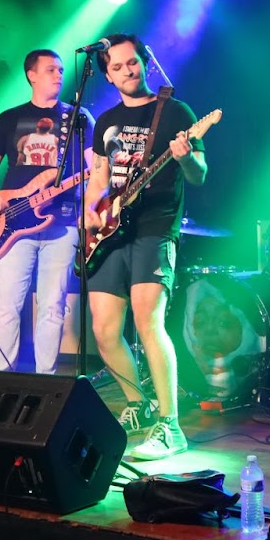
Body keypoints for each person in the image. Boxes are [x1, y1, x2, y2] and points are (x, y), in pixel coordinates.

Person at [83, 35, 208, 460]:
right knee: (104, 330)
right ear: (107, 74)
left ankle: (170, 426)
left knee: (147, 321)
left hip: (156, 226)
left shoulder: (176, 112)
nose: (128, 71)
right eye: (118, 67)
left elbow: (199, 175)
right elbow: (99, 178)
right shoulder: (105, 121)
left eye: (133, 63)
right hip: (111, 231)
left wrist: (185, 155)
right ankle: (138, 405)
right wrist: (92, 211)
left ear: (144, 63)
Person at [0, 50, 94, 374]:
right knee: (6, 303)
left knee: (52, 306)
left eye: (61, 70)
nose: (59, 75)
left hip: (63, 221)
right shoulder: (9, 118)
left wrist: (90, 204)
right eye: (50, 69)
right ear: (31, 75)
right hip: (13, 222)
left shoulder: (79, 118)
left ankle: (48, 381)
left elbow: (96, 169)